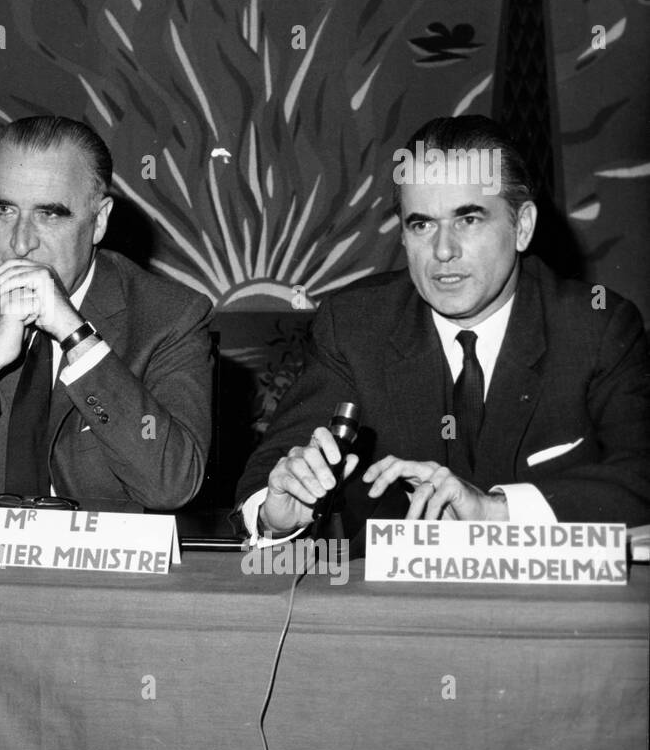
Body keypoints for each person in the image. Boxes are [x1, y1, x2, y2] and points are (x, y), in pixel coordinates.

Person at [235, 114, 650, 545]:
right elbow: (268, 476)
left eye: (468, 219)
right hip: (388, 609)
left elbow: (641, 475)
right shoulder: (356, 325)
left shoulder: (595, 327)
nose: (443, 250)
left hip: (549, 609)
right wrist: (278, 515)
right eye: (422, 224)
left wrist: (495, 510)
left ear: (522, 226)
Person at [0, 115, 213, 511]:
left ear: (99, 220)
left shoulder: (169, 317)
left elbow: (172, 484)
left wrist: (75, 333)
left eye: (49, 214)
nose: (20, 242)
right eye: (4, 210)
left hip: (98, 570)